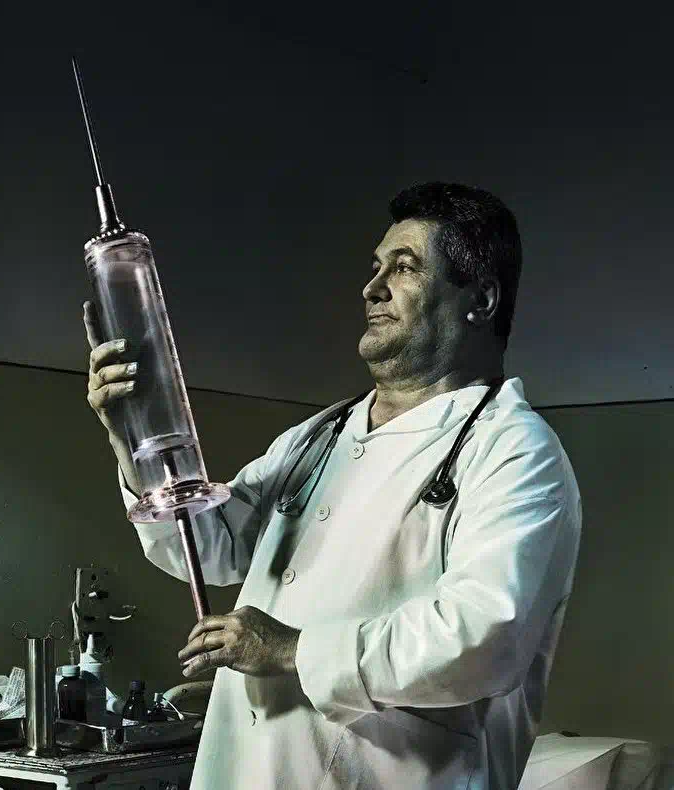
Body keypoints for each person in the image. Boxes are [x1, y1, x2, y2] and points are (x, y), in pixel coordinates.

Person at [84, 182, 582, 789]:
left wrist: (292, 650)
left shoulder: (514, 450)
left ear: (480, 300)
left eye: (404, 267)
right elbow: (212, 547)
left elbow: (485, 637)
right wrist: (134, 433)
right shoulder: (319, 436)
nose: (372, 288)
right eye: (376, 266)